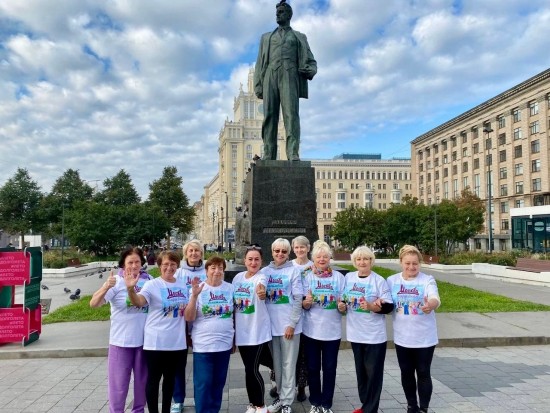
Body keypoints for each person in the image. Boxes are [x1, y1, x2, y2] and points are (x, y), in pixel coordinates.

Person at [125, 251, 189, 413]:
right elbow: (139, 302)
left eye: (173, 264)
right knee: (153, 381)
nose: (169, 267)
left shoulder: (182, 285)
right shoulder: (152, 285)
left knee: (170, 382)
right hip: (156, 343)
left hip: (177, 343)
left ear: (177, 266)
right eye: (165, 264)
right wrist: (131, 290)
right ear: (160, 266)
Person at [90, 247, 152, 413]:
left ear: (142, 263)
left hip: (144, 343)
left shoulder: (149, 280)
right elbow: (93, 304)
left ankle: (138, 410)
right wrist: (105, 287)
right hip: (120, 342)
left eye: (137, 262)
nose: (133, 265)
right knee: (118, 385)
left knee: (142, 383)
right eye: (130, 262)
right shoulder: (115, 281)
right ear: (123, 264)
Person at [253, 0, 317, 161]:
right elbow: (260, 62)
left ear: (289, 14)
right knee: (269, 115)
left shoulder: (299, 37)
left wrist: (310, 70)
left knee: (291, 115)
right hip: (270, 75)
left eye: (281, 12)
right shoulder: (266, 37)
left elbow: (311, 60)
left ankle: (293, 152)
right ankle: (268, 153)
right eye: (277, 12)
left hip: (290, 75)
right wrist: (258, 84)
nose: (277, 14)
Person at [387, 245, 441, 413]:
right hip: (403, 337)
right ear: (401, 262)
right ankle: (412, 406)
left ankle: (423, 408)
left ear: (420, 263)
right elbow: (384, 301)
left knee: (423, 372)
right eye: (407, 263)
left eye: (415, 264)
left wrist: (430, 305)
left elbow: (435, 298)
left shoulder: (427, 280)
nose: (411, 267)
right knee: (406, 372)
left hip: (425, 337)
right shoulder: (392, 281)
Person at [340, 246, 394, 413]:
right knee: (361, 373)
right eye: (359, 259)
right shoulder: (348, 277)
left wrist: (372, 306)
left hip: (374, 336)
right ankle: (365, 405)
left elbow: (388, 306)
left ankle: (370, 409)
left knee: (373, 374)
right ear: (354, 262)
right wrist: (341, 306)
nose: (362, 262)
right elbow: (342, 301)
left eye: (366, 259)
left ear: (371, 261)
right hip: (355, 334)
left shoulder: (378, 281)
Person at [184, 256, 234, 413]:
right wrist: (194, 296)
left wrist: (235, 339)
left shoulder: (230, 288)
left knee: (219, 382)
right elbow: (189, 317)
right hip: (203, 345)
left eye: (220, 268)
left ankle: (214, 410)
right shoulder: (197, 289)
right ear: (206, 271)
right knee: (203, 383)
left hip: (224, 343)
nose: (217, 271)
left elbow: (235, 316)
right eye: (213, 268)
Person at [301, 240, 345, 413]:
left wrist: (343, 307)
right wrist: (306, 303)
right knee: (312, 368)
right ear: (313, 258)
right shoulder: (306, 277)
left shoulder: (339, 278)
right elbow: (302, 303)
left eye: (325, 256)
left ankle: (326, 404)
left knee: (329, 369)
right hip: (311, 330)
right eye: (318, 256)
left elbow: (343, 303)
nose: (321, 259)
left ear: (330, 258)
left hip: (332, 332)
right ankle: (315, 402)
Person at [263, 238, 304, 413]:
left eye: (284, 251)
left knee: (289, 363)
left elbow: (297, 299)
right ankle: (280, 396)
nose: (280, 254)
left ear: (288, 254)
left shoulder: (293, 272)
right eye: (277, 250)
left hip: (289, 327)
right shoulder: (264, 271)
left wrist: (292, 324)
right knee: (277, 365)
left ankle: (287, 401)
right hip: (271, 327)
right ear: (272, 252)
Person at [233, 246, 272, 413]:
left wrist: (262, 292)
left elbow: (262, 287)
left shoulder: (262, 277)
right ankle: (253, 403)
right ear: (244, 261)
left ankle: (260, 405)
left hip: (257, 332)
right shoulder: (237, 278)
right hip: (242, 333)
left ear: (261, 262)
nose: (253, 262)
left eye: (257, 259)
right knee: (250, 368)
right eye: (250, 259)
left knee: (251, 369)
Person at [170, 240, 207, 413]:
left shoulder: (207, 270)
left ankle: (203, 397)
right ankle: (178, 399)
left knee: (203, 364)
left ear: (201, 253)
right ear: (186, 254)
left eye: (197, 251)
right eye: (191, 251)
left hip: (203, 321)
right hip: (182, 322)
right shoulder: (178, 272)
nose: (194, 254)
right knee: (179, 363)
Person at [291, 236, 313, 402]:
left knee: (304, 354)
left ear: (308, 248)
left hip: (309, 314)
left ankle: (301, 386)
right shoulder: (289, 265)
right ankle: (281, 385)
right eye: (297, 247)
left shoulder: (313, 266)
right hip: (291, 313)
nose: (300, 250)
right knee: (289, 354)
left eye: (303, 247)